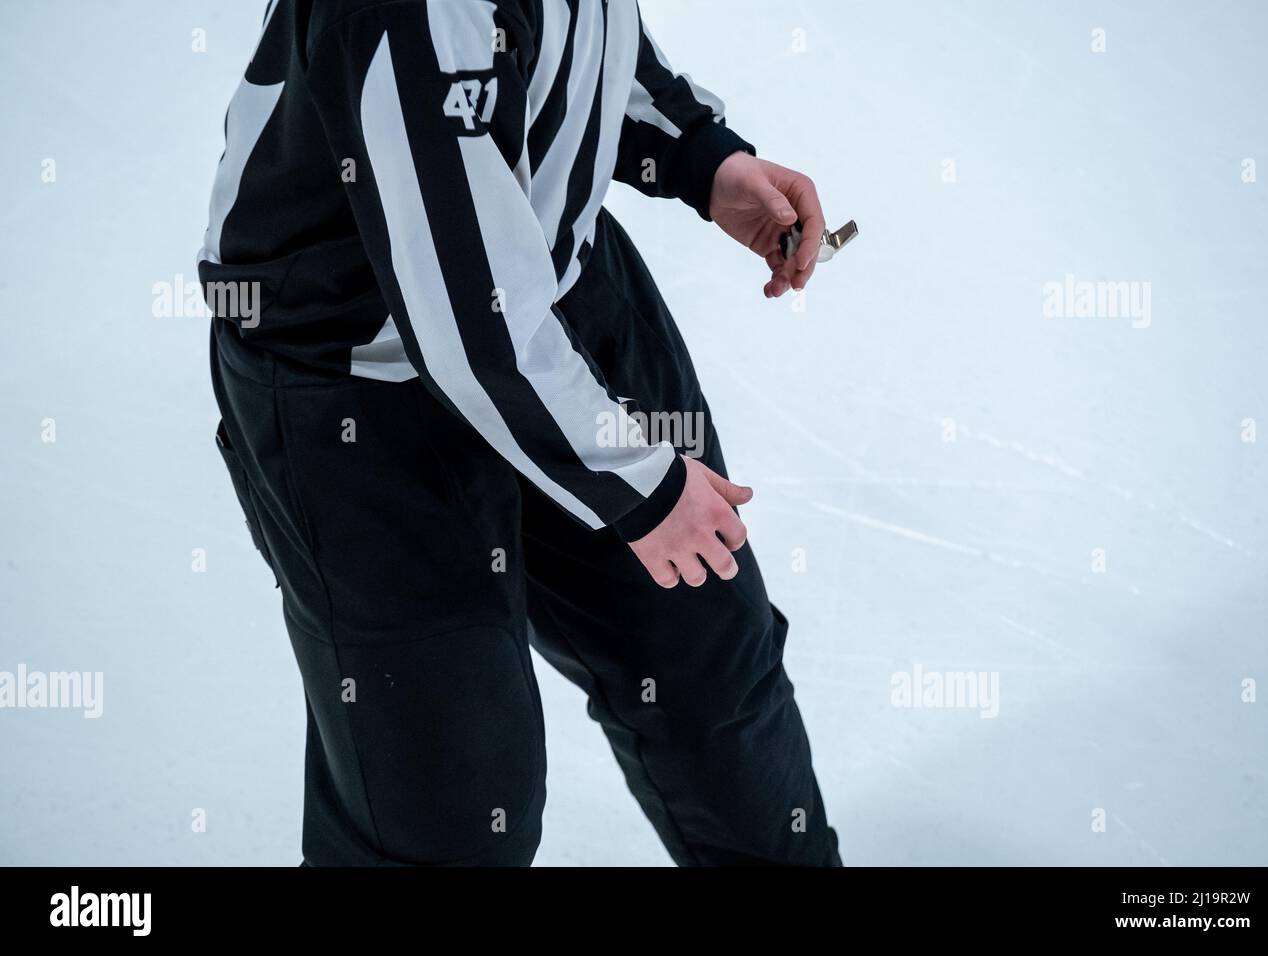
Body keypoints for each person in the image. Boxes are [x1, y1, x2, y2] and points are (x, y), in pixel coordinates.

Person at [200, 0, 841, 866]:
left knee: (711, 675)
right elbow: (466, 320)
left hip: (550, 290)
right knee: (442, 809)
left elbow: (568, 39)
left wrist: (699, 156)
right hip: (352, 389)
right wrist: (638, 485)